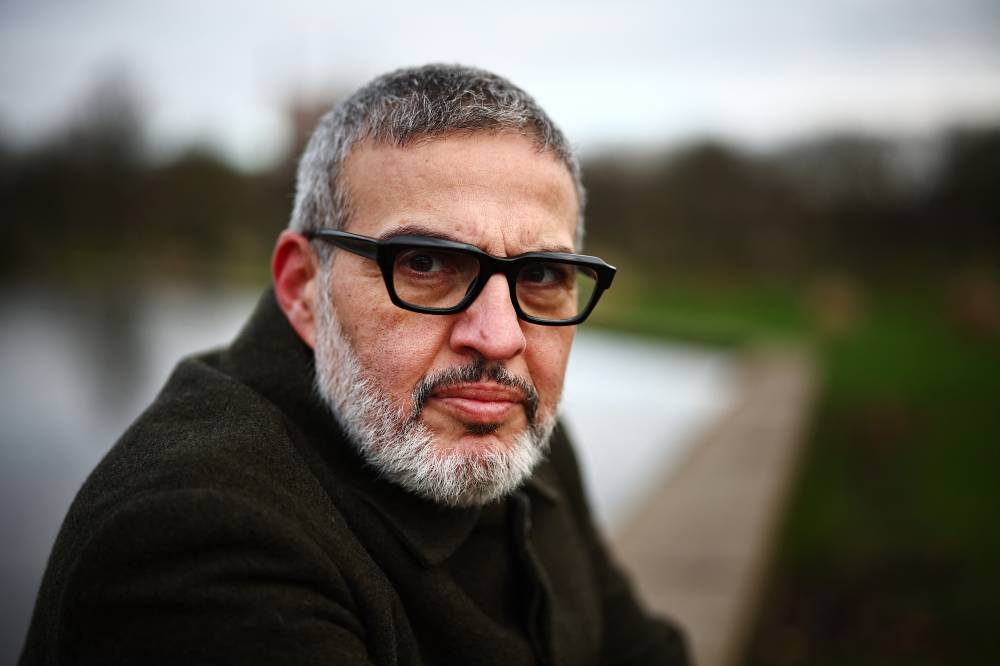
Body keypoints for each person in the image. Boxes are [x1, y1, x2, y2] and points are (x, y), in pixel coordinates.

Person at [21, 64, 689, 665]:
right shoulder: (195, 543)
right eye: (425, 263)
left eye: (542, 273)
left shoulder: (512, 423)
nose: (500, 338)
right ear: (304, 287)